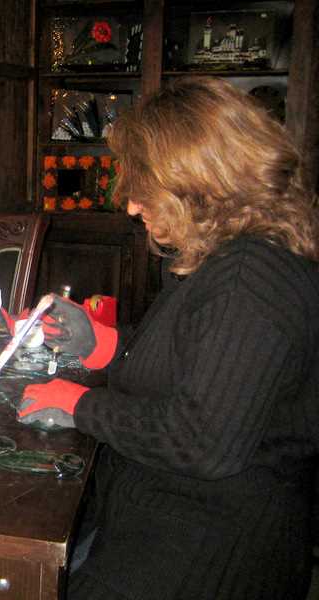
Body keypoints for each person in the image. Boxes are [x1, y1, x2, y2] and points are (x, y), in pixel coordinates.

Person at [19, 76, 319, 599]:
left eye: (142, 188)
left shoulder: (249, 277)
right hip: (162, 517)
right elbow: (194, 360)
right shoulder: (233, 256)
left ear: (196, 183)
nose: (132, 207)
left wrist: (80, 404)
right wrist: (103, 344)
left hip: (210, 548)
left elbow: (200, 442)